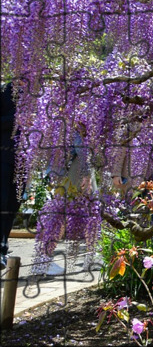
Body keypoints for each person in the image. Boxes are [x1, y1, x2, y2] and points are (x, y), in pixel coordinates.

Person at [31, 121, 100, 276]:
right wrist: (87, 174)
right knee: (85, 212)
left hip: (61, 171)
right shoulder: (76, 113)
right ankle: (45, 260)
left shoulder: (58, 116)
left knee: (61, 213)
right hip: (75, 172)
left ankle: (45, 259)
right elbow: (82, 147)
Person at [0, 82, 21, 270]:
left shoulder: (39, 93)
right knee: (2, 201)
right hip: (3, 156)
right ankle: (1, 249)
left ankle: (3, 247)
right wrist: (16, 119)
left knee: (13, 205)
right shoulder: (4, 91)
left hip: (24, 160)